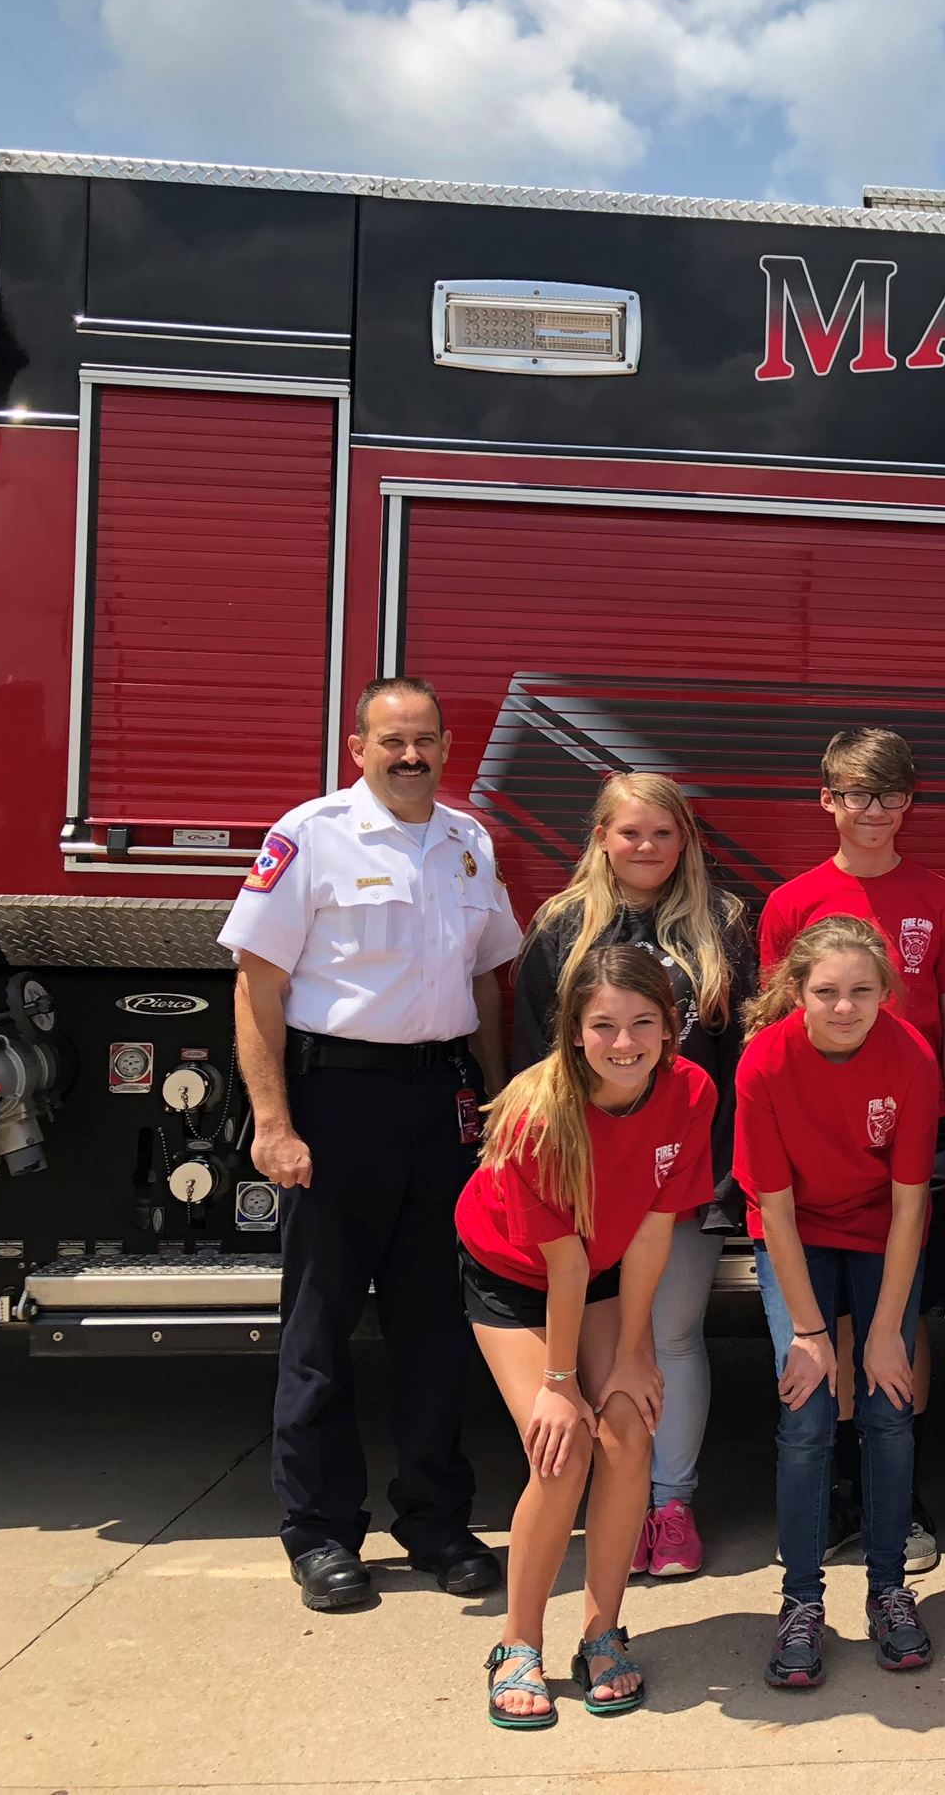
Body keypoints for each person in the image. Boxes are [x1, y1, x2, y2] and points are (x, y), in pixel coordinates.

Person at [222, 677, 522, 1614]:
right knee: (321, 1329)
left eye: (426, 740)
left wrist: (501, 1106)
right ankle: (319, 1532)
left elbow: (489, 987)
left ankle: (435, 1520)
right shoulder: (308, 836)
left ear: (445, 746)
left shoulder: (468, 843)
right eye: (392, 740)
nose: (410, 755)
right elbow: (256, 989)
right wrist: (274, 1124)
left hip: (442, 1103)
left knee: (436, 1327)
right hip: (335, 1097)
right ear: (358, 747)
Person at [458, 945, 714, 1728]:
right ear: (573, 1030)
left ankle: (603, 1632)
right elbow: (559, 1267)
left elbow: (651, 1234)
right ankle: (517, 1643)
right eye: (604, 1025)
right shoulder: (538, 1111)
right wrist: (562, 1387)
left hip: (602, 1265)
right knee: (561, 1451)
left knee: (631, 1433)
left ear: (672, 1028)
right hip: (515, 1275)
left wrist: (634, 1351)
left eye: (643, 1023)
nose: (625, 1042)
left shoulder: (691, 1090)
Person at [512, 771, 753, 1580]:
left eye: (662, 833)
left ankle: (672, 1506)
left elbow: (740, 1057)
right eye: (630, 833)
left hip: (680, 1173)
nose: (646, 848)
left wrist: (727, 1171)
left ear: (685, 840)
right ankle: (610, 1499)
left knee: (669, 1337)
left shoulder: (721, 925)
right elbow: (532, 1059)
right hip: (583, 1172)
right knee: (594, 1345)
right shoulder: (560, 926)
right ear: (601, 839)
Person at [758, 727, 945, 1577]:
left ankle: (899, 1486)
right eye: (856, 794)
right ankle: (843, 1484)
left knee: (901, 1317)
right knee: (831, 1326)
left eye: (889, 795)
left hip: (910, 1133)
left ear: (910, 802)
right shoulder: (792, 903)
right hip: (815, 1147)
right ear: (827, 800)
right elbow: (779, 1028)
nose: (873, 812)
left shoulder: (944, 898)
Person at [736, 915, 941, 1684]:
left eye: (862, 991)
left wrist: (887, 1329)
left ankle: (889, 1589)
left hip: (882, 1229)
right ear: (798, 992)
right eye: (826, 992)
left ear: (887, 992)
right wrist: (814, 1334)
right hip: (797, 1233)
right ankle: (800, 1601)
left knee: (889, 1403)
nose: (845, 1006)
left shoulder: (911, 1058)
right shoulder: (764, 1062)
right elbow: (776, 1211)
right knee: (808, 1409)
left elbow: (912, 1202)